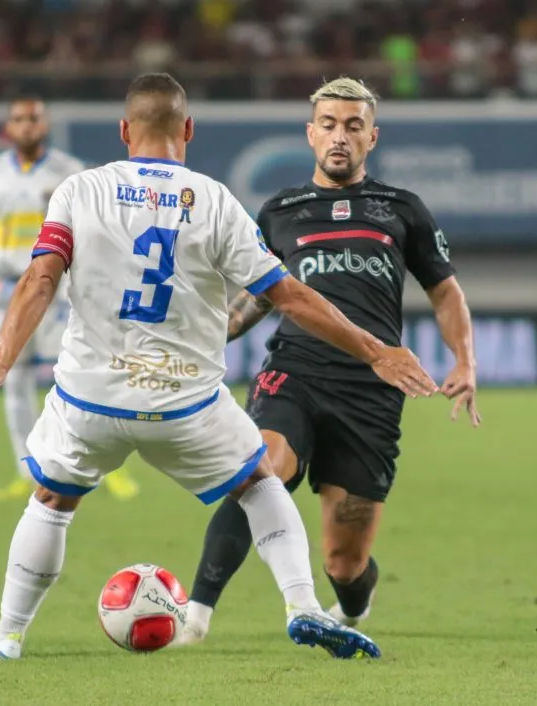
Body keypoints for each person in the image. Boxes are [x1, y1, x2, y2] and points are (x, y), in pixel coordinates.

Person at [0, 73, 439, 660]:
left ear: (125, 130)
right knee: (261, 484)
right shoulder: (213, 200)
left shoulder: (78, 190)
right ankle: (303, 606)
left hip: (90, 400)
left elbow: (40, 278)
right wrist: (377, 350)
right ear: (188, 129)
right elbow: (291, 296)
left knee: (51, 503)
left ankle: (5, 636)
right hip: (185, 405)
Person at [178, 77, 481, 645]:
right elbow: (258, 296)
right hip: (294, 369)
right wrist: (204, 337)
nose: (339, 136)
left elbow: (445, 291)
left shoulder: (402, 210)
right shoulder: (279, 212)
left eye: (353, 126)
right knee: (259, 470)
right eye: (329, 125)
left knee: (345, 561)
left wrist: (464, 361)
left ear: (372, 137)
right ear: (310, 134)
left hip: (371, 390)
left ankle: (351, 607)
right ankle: (193, 619)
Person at [0, 97, 140, 502]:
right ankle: (27, 467)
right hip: (3, 292)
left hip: (56, 290)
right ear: (9, 126)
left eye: (33, 118)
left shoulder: (70, 172)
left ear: (45, 124)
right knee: (11, 380)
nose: (26, 125)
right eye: (18, 119)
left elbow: (94, 233)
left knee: (79, 375)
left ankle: (105, 468)